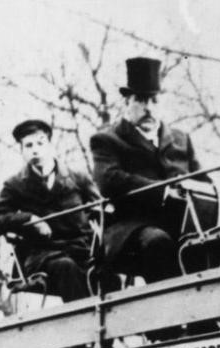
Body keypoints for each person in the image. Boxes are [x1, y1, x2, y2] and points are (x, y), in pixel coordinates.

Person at [90, 57, 210, 282]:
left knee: (215, 241)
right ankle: (172, 310)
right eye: (141, 100)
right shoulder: (108, 140)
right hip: (134, 227)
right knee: (158, 242)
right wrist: (162, 192)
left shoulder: (181, 139)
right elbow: (108, 180)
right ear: (127, 102)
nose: (148, 108)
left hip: (181, 223)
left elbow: (203, 181)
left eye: (154, 101)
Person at [0, 118, 98, 301]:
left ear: (50, 145)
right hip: (42, 256)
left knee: (109, 271)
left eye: (40, 143)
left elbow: (99, 209)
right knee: (66, 267)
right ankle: (86, 323)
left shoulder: (77, 178)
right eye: (28, 146)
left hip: (81, 250)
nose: (35, 150)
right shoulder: (16, 185)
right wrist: (28, 219)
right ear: (21, 151)